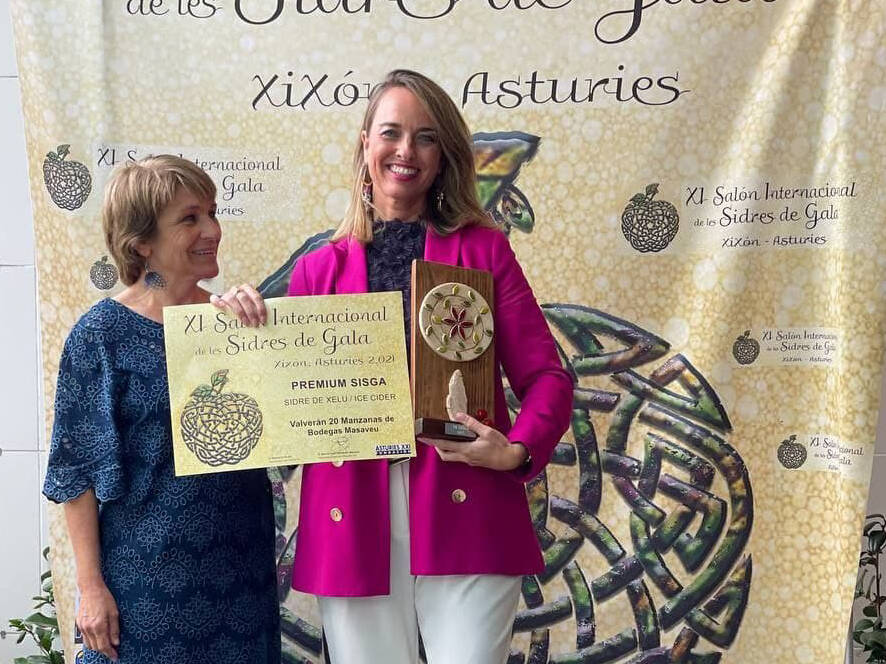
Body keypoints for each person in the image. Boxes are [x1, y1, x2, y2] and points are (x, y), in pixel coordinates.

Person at [288, 69, 572, 664]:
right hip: (352, 514)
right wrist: (243, 324)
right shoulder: (316, 273)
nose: (405, 151)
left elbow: (548, 378)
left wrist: (517, 450)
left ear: (443, 156)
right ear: (365, 144)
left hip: (466, 503)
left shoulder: (484, 250)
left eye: (425, 137)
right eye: (391, 132)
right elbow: (285, 397)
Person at [43, 155, 280, 664]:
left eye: (213, 213)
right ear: (141, 244)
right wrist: (90, 589)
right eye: (190, 218)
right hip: (144, 587)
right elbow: (75, 474)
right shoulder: (100, 336)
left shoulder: (236, 325)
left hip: (243, 582)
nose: (212, 230)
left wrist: (264, 332)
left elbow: (294, 427)